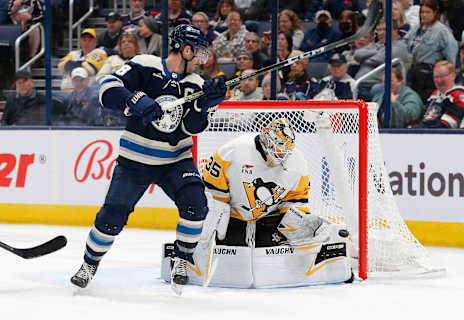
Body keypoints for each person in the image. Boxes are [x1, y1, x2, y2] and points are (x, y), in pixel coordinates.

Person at [70, 24, 227, 296]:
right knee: (111, 218)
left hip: (175, 160)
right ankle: (89, 263)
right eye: (199, 52)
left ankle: (182, 259)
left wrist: (203, 106)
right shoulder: (145, 65)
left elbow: (191, 127)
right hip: (134, 161)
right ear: (186, 50)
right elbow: (106, 89)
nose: (203, 59)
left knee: (196, 205)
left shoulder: (196, 84)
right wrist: (134, 99)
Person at [159, 118, 352, 287]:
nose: (281, 157)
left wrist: (299, 223)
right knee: (214, 216)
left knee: (304, 227)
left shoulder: (298, 163)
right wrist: (219, 216)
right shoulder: (232, 151)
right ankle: (183, 258)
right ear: (265, 141)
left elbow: (296, 201)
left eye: (285, 153)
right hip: (232, 212)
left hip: (270, 216)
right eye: (277, 151)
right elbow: (212, 190)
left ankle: (326, 258)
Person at [405, 0, 458, 103]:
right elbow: (405, 45)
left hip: (429, 73)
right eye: (422, 12)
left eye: (428, 12)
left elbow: (451, 52)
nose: (424, 15)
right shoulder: (416, 29)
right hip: (413, 69)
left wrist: (449, 74)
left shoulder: (442, 31)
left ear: (435, 13)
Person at [354, 19, 409, 101]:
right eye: (379, 30)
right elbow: (357, 54)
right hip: (359, 84)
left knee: (376, 89)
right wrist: (377, 52)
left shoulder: (400, 46)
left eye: (385, 29)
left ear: (395, 31)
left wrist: (364, 59)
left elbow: (380, 59)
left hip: (379, 85)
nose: (381, 33)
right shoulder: (376, 45)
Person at [422, 60, 464, 128]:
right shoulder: (435, 94)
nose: (439, 81)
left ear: (453, 76)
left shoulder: (458, 95)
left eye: (442, 76)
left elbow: (447, 125)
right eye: (436, 77)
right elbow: (425, 118)